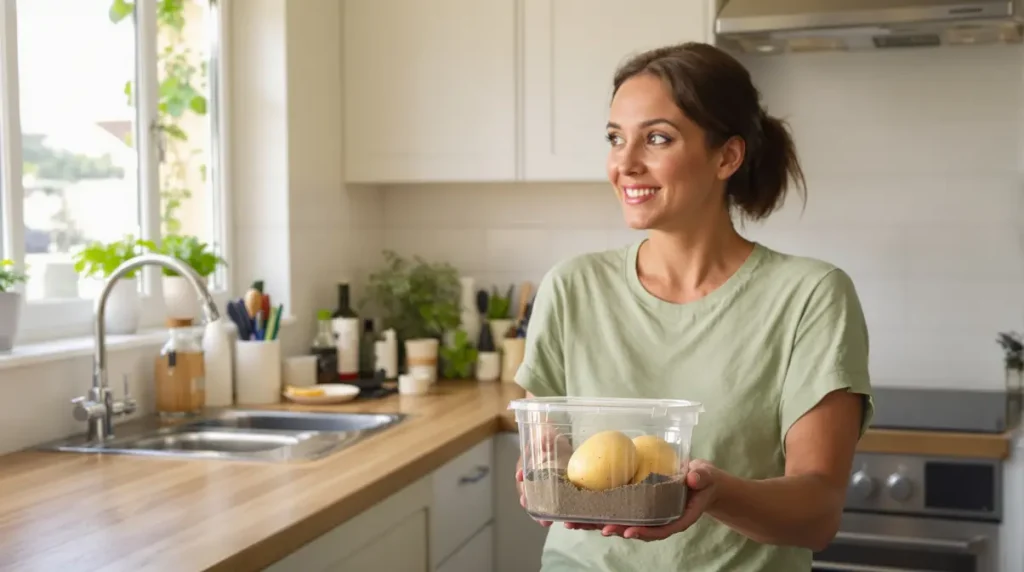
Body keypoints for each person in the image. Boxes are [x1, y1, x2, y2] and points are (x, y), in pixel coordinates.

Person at [513, 41, 873, 571]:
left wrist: (715, 494)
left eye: (656, 138)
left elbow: (817, 514)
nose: (625, 164)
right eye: (616, 139)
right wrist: (544, 464)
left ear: (726, 156)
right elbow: (546, 447)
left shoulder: (810, 296)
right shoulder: (572, 287)